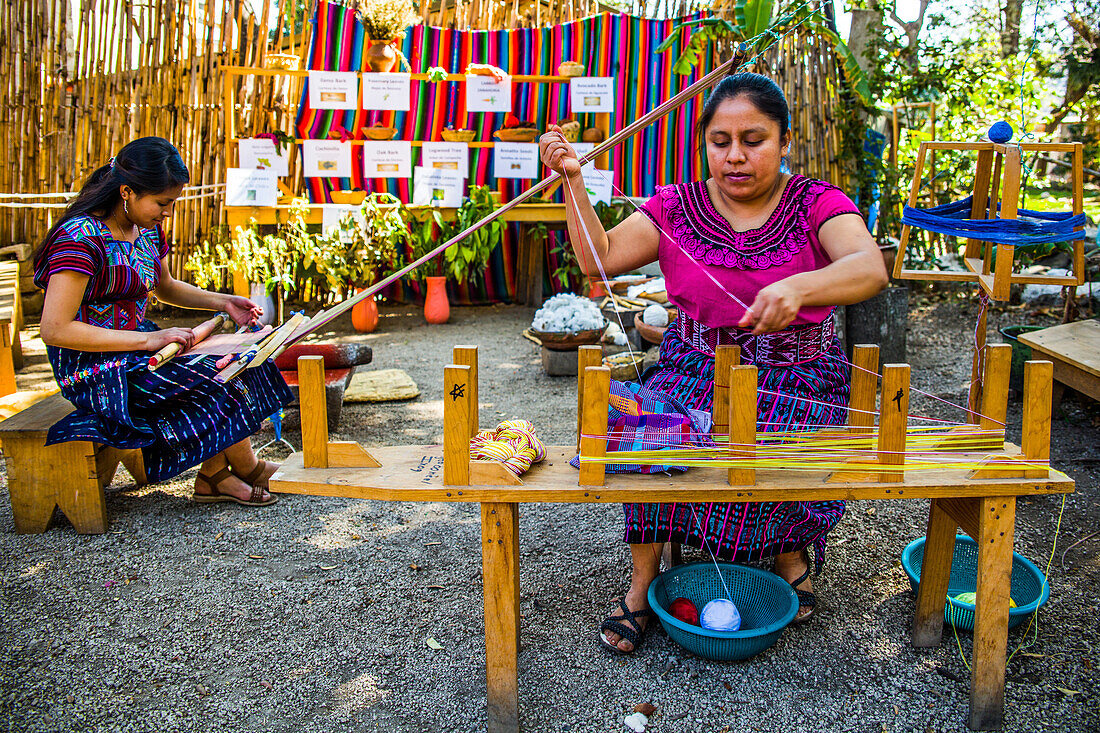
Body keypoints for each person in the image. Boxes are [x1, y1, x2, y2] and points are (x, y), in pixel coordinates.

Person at [539, 73, 888, 653]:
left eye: (754, 139)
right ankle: (642, 582)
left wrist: (799, 287)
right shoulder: (677, 206)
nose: (736, 155)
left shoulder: (816, 202)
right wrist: (573, 181)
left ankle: (788, 551)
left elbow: (869, 267)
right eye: (720, 141)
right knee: (649, 432)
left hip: (799, 374)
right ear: (703, 146)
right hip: (694, 364)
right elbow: (600, 260)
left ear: (784, 142)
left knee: (773, 439)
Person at [33, 136, 294, 507]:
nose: (167, 212)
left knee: (237, 362)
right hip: (93, 368)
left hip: (139, 351)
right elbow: (55, 329)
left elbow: (165, 286)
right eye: (162, 203)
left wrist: (224, 302)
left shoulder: (146, 228)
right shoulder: (78, 239)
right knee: (212, 375)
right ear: (126, 191)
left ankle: (218, 475)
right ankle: (236, 471)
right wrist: (148, 341)